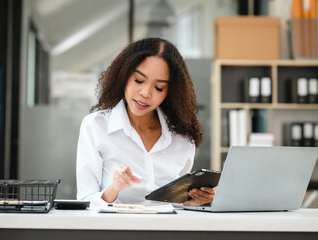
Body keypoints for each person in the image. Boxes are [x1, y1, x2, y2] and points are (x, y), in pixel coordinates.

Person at [76, 38, 215, 206]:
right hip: (114, 231)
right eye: (139, 80)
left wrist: (196, 201)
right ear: (124, 76)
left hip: (167, 231)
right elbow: (85, 201)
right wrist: (114, 188)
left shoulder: (183, 139)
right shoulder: (96, 126)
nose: (146, 93)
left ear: (170, 92)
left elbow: (178, 206)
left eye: (159, 88)